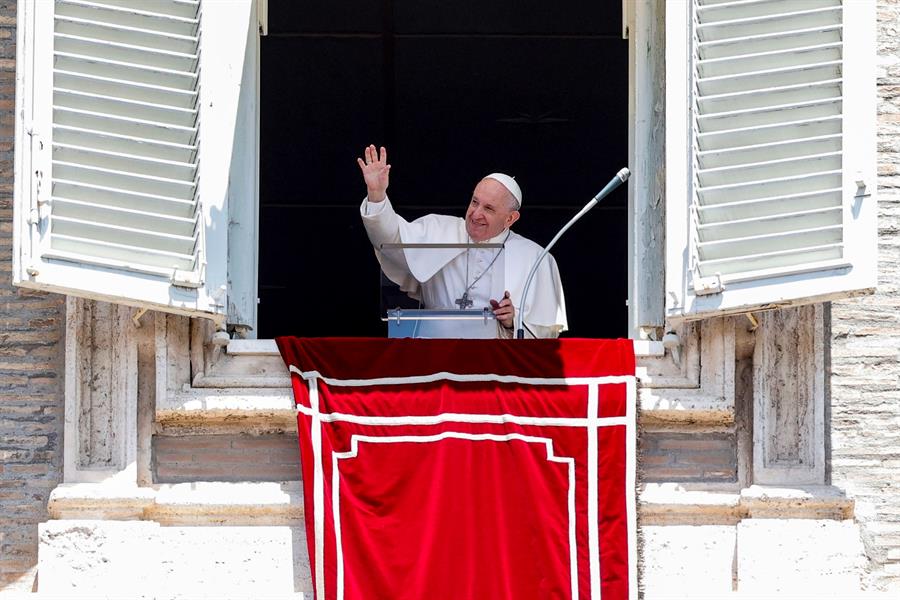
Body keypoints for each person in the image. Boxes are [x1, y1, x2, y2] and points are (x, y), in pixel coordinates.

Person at [358, 145, 567, 339]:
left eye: (489, 208)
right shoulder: (438, 229)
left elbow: (547, 332)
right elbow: (390, 241)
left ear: (510, 219)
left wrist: (514, 320)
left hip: (494, 365)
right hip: (434, 355)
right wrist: (377, 195)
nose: (475, 214)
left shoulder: (535, 257)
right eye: (474, 202)